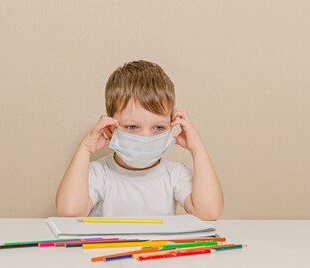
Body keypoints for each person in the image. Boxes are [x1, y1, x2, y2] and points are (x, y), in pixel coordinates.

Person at [55, 60, 223, 220]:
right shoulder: (100, 174)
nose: (146, 138)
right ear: (110, 128)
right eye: (132, 127)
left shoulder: (174, 174)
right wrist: (85, 149)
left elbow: (209, 212)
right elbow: (70, 212)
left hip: (157, 250)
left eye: (158, 128)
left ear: (171, 126)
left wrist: (197, 148)